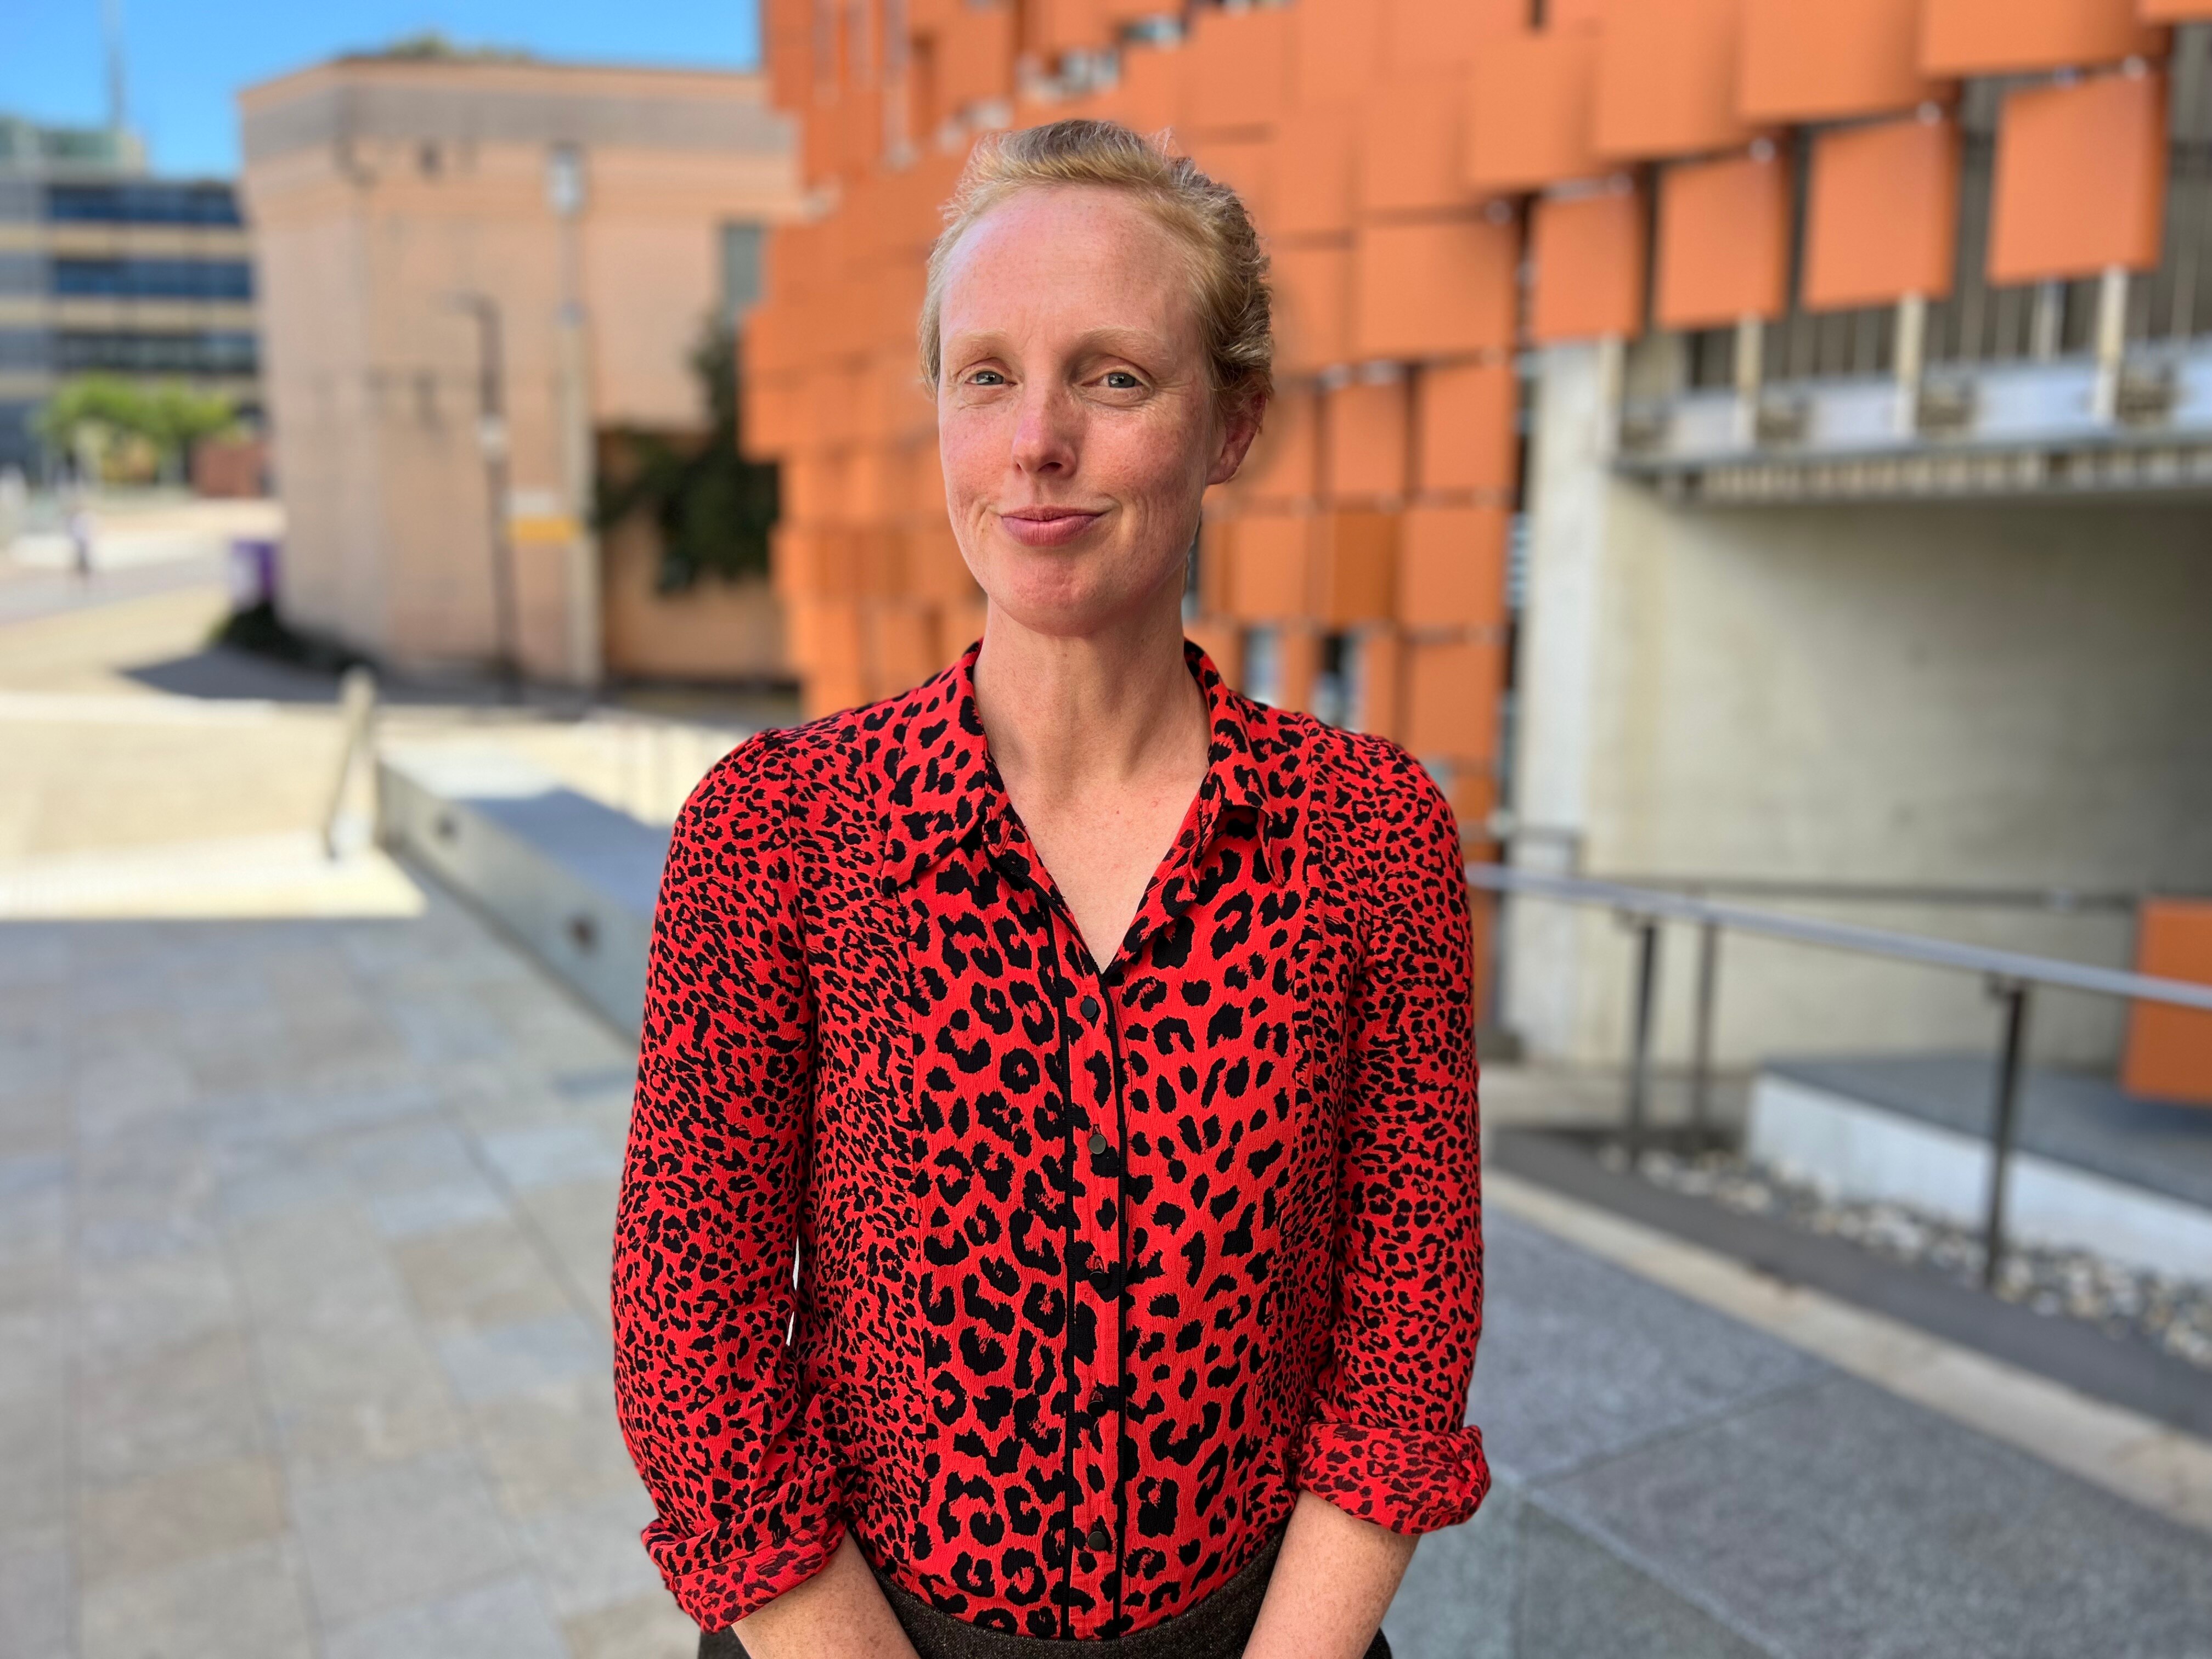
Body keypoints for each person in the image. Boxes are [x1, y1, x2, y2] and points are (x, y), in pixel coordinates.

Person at [613, 119, 1487, 1659]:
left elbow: (1404, 1329)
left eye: (1115, 376)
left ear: (1231, 425)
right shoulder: (779, 836)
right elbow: (696, 1337)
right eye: (988, 375)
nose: (1036, 444)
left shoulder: (1368, 836)